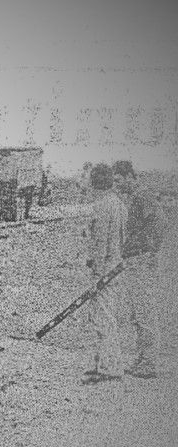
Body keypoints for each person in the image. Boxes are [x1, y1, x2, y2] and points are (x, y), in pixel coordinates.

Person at [115, 160, 164, 379]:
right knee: (138, 311)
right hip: (135, 259)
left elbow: (159, 224)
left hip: (142, 260)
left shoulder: (142, 195)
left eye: (119, 180)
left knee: (144, 311)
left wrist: (147, 249)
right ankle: (143, 358)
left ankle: (149, 362)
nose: (117, 185)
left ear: (130, 176)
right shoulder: (135, 197)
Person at [83, 163, 126, 384]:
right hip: (115, 267)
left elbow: (101, 243)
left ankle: (111, 367)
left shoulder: (101, 206)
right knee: (107, 317)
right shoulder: (118, 203)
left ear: (94, 182)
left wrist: (97, 274)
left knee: (103, 319)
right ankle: (103, 364)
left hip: (104, 271)